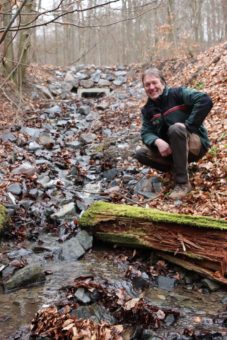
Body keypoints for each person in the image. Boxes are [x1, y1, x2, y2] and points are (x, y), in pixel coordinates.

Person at [134, 67, 213, 199]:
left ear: (163, 83)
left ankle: (182, 183)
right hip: (172, 151)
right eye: (147, 85)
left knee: (176, 129)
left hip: (195, 146)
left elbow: (205, 100)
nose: (151, 87)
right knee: (140, 154)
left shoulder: (178, 94)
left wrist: (188, 126)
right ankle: (177, 167)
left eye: (154, 83)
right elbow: (146, 132)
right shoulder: (147, 110)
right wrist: (157, 141)